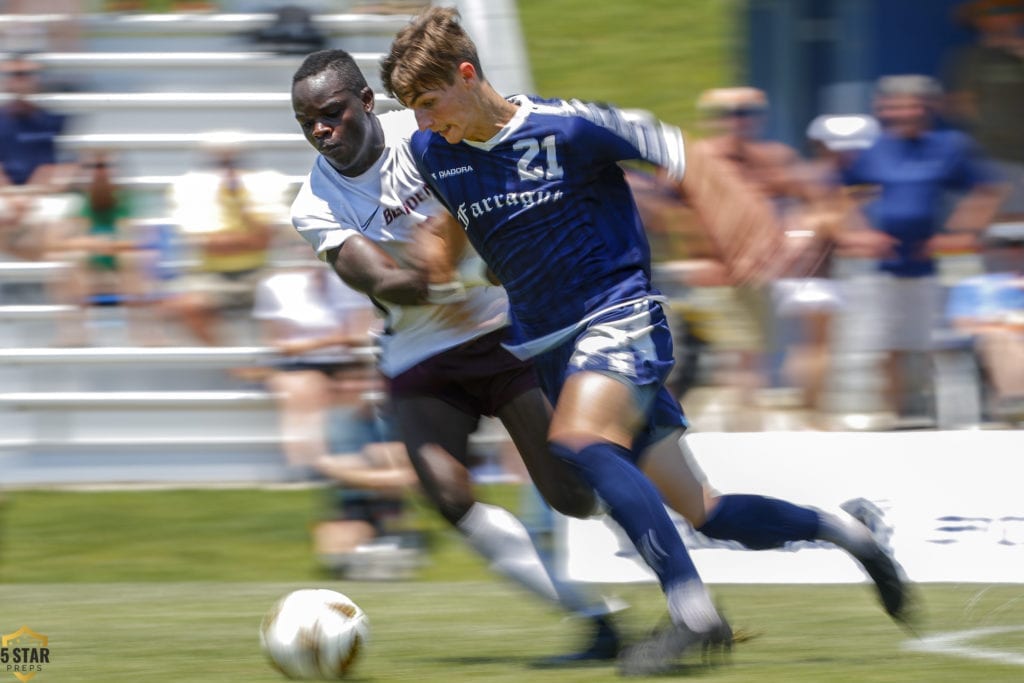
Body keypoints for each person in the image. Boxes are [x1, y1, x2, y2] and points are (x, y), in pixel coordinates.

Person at [381, 7, 914, 674]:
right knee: (707, 511)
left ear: (467, 75)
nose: (424, 121)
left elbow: (679, 152)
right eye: (413, 109)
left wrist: (739, 219)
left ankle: (693, 612)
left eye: (429, 103)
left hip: (619, 315)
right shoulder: (433, 152)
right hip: (550, 347)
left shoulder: (568, 124)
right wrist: (444, 267)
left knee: (578, 441)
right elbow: (459, 215)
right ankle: (850, 530)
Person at [289, 49, 620, 663]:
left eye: (331, 113)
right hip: (420, 351)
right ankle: (597, 620)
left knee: (571, 494)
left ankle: (671, 540)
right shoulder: (313, 203)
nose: (320, 130)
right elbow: (381, 281)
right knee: (446, 492)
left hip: (500, 330)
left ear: (367, 102)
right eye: (306, 121)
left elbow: (494, 188)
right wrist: (445, 274)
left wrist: (486, 256)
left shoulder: (422, 128)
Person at [840, 74, 1007, 419]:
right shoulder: (872, 151)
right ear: (882, 109)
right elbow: (835, 196)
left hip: (935, 265)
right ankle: (895, 415)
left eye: (914, 104)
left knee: (942, 343)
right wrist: (859, 233)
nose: (906, 112)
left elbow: (989, 190)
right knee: (887, 344)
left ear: (931, 108)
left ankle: (951, 419)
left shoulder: (949, 146)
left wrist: (958, 234)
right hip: (884, 267)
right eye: (896, 105)